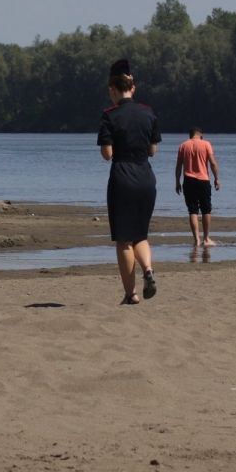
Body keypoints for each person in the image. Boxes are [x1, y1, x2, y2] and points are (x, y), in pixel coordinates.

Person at [98, 59, 160, 305]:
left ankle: (130, 293)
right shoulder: (148, 112)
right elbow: (153, 150)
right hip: (146, 177)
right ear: (132, 87)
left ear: (113, 89)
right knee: (140, 235)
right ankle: (148, 270)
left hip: (122, 178)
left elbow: (107, 154)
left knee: (123, 238)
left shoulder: (109, 115)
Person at [174, 128, 221, 248]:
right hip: (203, 180)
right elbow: (213, 163)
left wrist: (177, 182)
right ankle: (206, 238)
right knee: (206, 209)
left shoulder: (183, 145)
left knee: (192, 210)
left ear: (190, 135)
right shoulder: (206, 144)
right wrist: (216, 178)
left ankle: (196, 239)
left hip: (188, 180)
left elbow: (178, 166)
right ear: (200, 135)